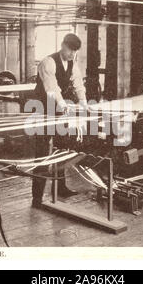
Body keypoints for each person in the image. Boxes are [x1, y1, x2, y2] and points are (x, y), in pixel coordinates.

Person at [31, 33, 87, 208]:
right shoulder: (48, 62)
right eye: (70, 49)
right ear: (63, 45)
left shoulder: (72, 64)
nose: (72, 54)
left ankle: (61, 188)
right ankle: (37, 198)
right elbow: (52, 88)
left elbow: (78, 84)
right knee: (41, 153)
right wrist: (63, 104)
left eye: (75, 51)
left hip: (58, 110)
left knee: (62, 148)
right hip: (42, 110)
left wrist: (84, 103)